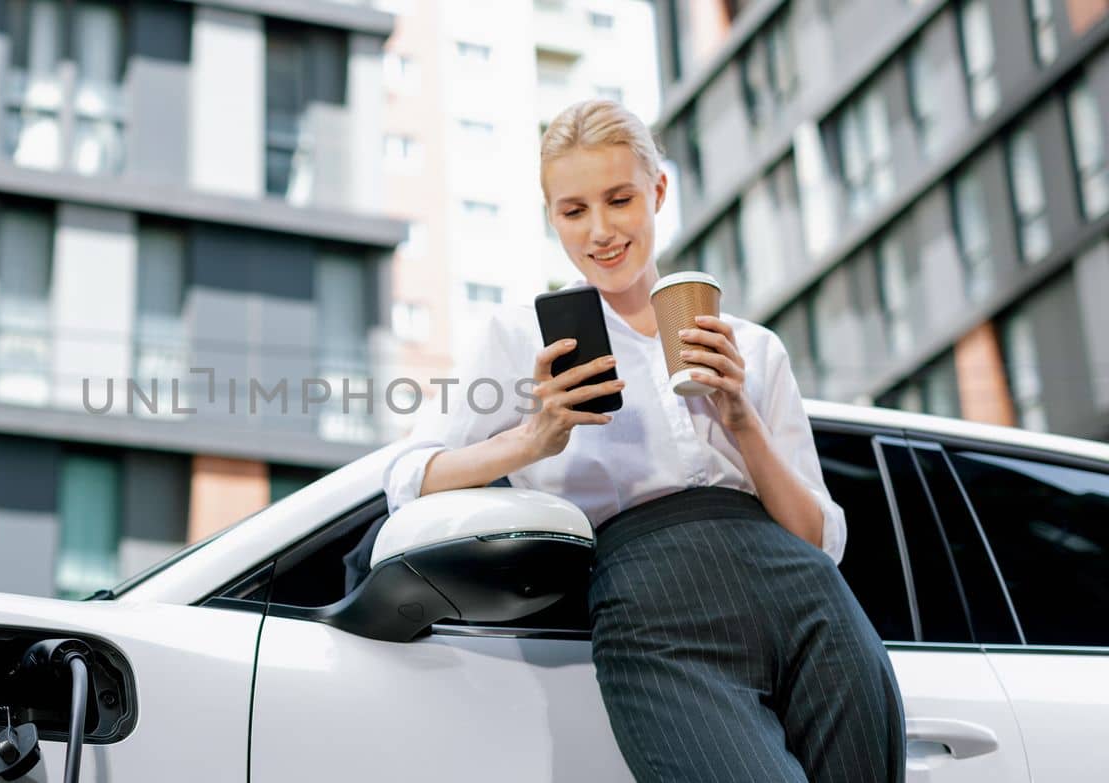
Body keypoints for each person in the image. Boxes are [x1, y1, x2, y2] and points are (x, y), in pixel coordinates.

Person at [381, 100, 906, 782]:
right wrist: (533, 439)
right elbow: (409, 480)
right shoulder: (517, 339)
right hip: (655, 612)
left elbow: (819, 539)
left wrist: (740, 416)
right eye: (573, 211)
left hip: (810, 605)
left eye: (620, 199)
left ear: (658, 191)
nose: (600, 231)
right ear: (552, 219)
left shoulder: (751, 346)